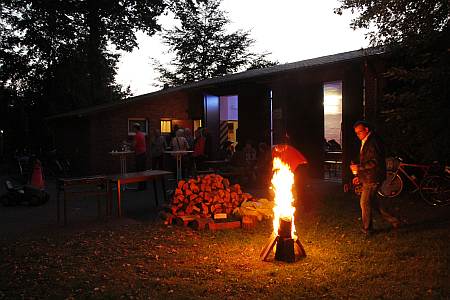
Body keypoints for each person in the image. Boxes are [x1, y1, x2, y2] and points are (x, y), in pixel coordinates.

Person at [350, 120, 400, 235]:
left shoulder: (373, 141)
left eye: (359, 132)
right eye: (356, 133)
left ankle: (367, 229)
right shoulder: (366, 140)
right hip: (369, 176)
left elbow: (375, 162)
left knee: (364, 202)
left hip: (373, 177)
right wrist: (359, 176)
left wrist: (359, 167)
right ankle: (394, 220)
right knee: (372, 203)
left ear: (366, 129)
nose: (358, 135)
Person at [132, 123, 147, 190]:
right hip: (143, 153)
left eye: (133, 128)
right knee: (143, 171)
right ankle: (144, 186)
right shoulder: (142, 134)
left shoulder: (137, 135)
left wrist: (126, 143)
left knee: (139, 171)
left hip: (139, 154)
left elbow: (134, 145)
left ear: (135, 128)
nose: (133, 129)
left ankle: (140, 187)